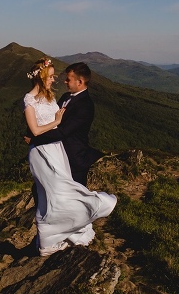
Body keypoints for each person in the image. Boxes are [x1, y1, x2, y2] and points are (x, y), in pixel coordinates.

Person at [23, 57, 117, 256]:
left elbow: (63, 131)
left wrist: (35, 139)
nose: (63, 81)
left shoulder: (85, 106)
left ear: (80, 82)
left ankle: (69, 232)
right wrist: (35, 134)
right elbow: (48, 120)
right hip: (54, 153)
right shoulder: (64, 96)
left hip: (73, 156)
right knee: (48, 196)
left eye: (69, 79)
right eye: (60, 78)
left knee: (68, 197)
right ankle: (51, 235)